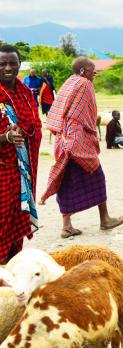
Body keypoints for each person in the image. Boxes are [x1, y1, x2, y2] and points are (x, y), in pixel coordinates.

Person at [41, 57, 123, 238]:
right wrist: (90, 133)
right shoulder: (85, 84)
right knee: (97, 175)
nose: (94, 73)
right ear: (82, 71)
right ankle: (105, 219)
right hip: (77, 139)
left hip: (64, 139)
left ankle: (67, 226)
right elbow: (87, 116)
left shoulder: (69, 82)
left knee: (66, 181)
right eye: (91, 69)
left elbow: (58, 111)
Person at [0, 45, 42, 263]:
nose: (8, 68)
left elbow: (35, 126)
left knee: (17, 218)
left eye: (12, 63)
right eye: (2, 64)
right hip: (3, 171)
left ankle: (10, 270)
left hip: (22, 173)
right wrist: (6, 137)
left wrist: (24, 133)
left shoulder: (25, 93)